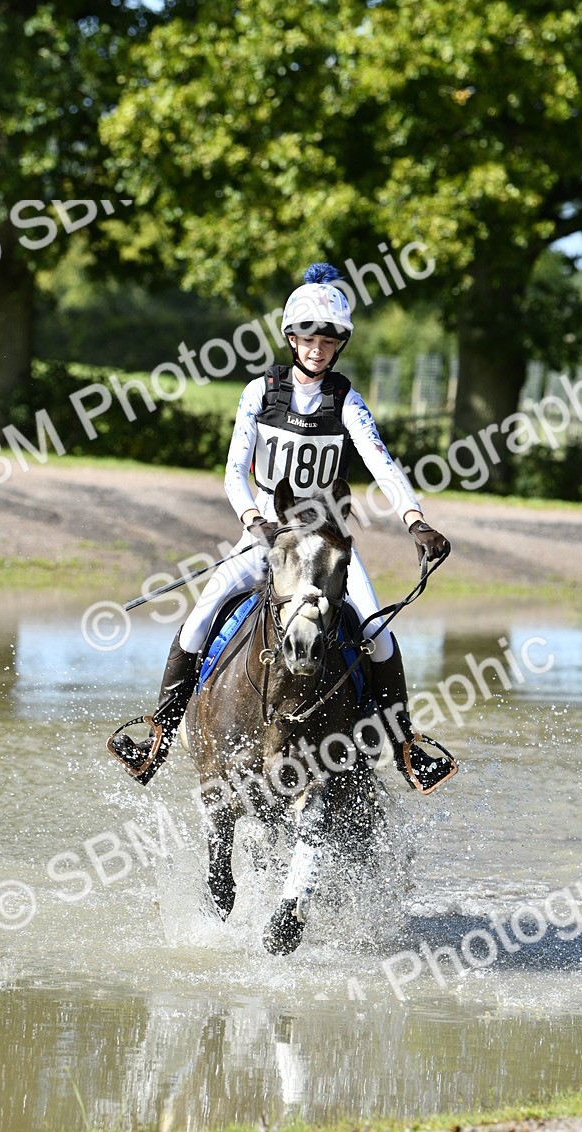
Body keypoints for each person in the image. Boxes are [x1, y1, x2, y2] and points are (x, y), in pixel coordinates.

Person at [109, 263, 457, 794]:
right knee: (204, 612)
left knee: (379, 633)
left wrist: (415, 521)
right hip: (268, 535)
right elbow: (233, 474)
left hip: (327, 542)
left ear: (339, 344)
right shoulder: (259, 393)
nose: (319, 347)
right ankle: (159, 733)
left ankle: (407, 747)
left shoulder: (347, 402)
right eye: (309, 337)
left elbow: (382, 465)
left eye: (330, 339)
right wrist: (257, 523)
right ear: (292, 339)